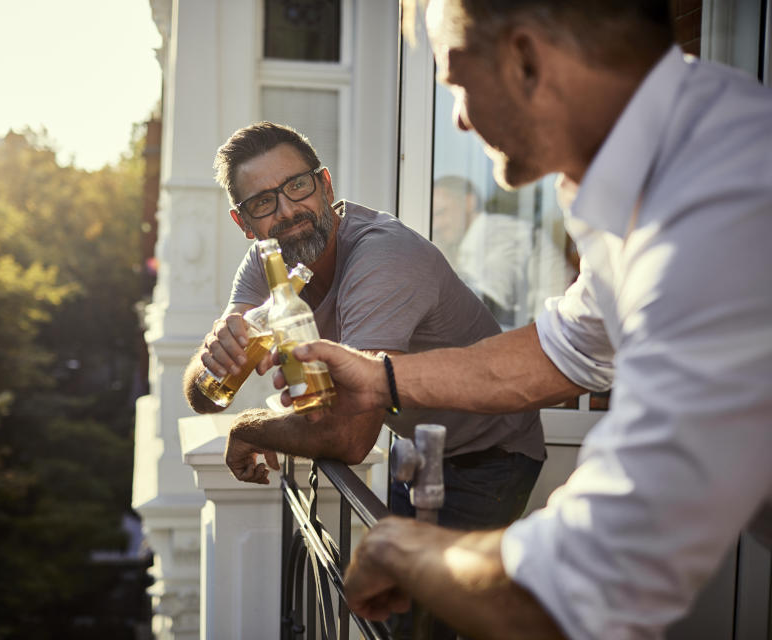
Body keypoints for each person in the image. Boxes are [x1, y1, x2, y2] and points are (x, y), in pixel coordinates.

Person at [276, 0, 772, 637]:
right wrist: (379, 377)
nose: (455, 117)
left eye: (456, 80)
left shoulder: (715, 214)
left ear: (526, 60)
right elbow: (559, 352)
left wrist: (401, 548)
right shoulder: (660, 163)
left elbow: (581, 587)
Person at [182, 121, 545, 535]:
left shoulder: (383, 257)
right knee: (393, 588)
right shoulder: (268, 263)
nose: (287, 211)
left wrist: (252, 428)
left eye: (297, 186)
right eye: (263, 202)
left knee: (428, 594)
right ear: (244, 222)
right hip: (414, 446)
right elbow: (208, 395)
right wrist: (213, 354)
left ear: (325, 186)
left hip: (488, 452)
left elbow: (350, 438)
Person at [431, 174, 574, 329]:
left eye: (440, 213)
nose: (435, 226)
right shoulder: (469, 241)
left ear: (469, 202)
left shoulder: (499, 234)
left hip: (558, 334)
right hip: (542, 332)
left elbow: (484, 307)